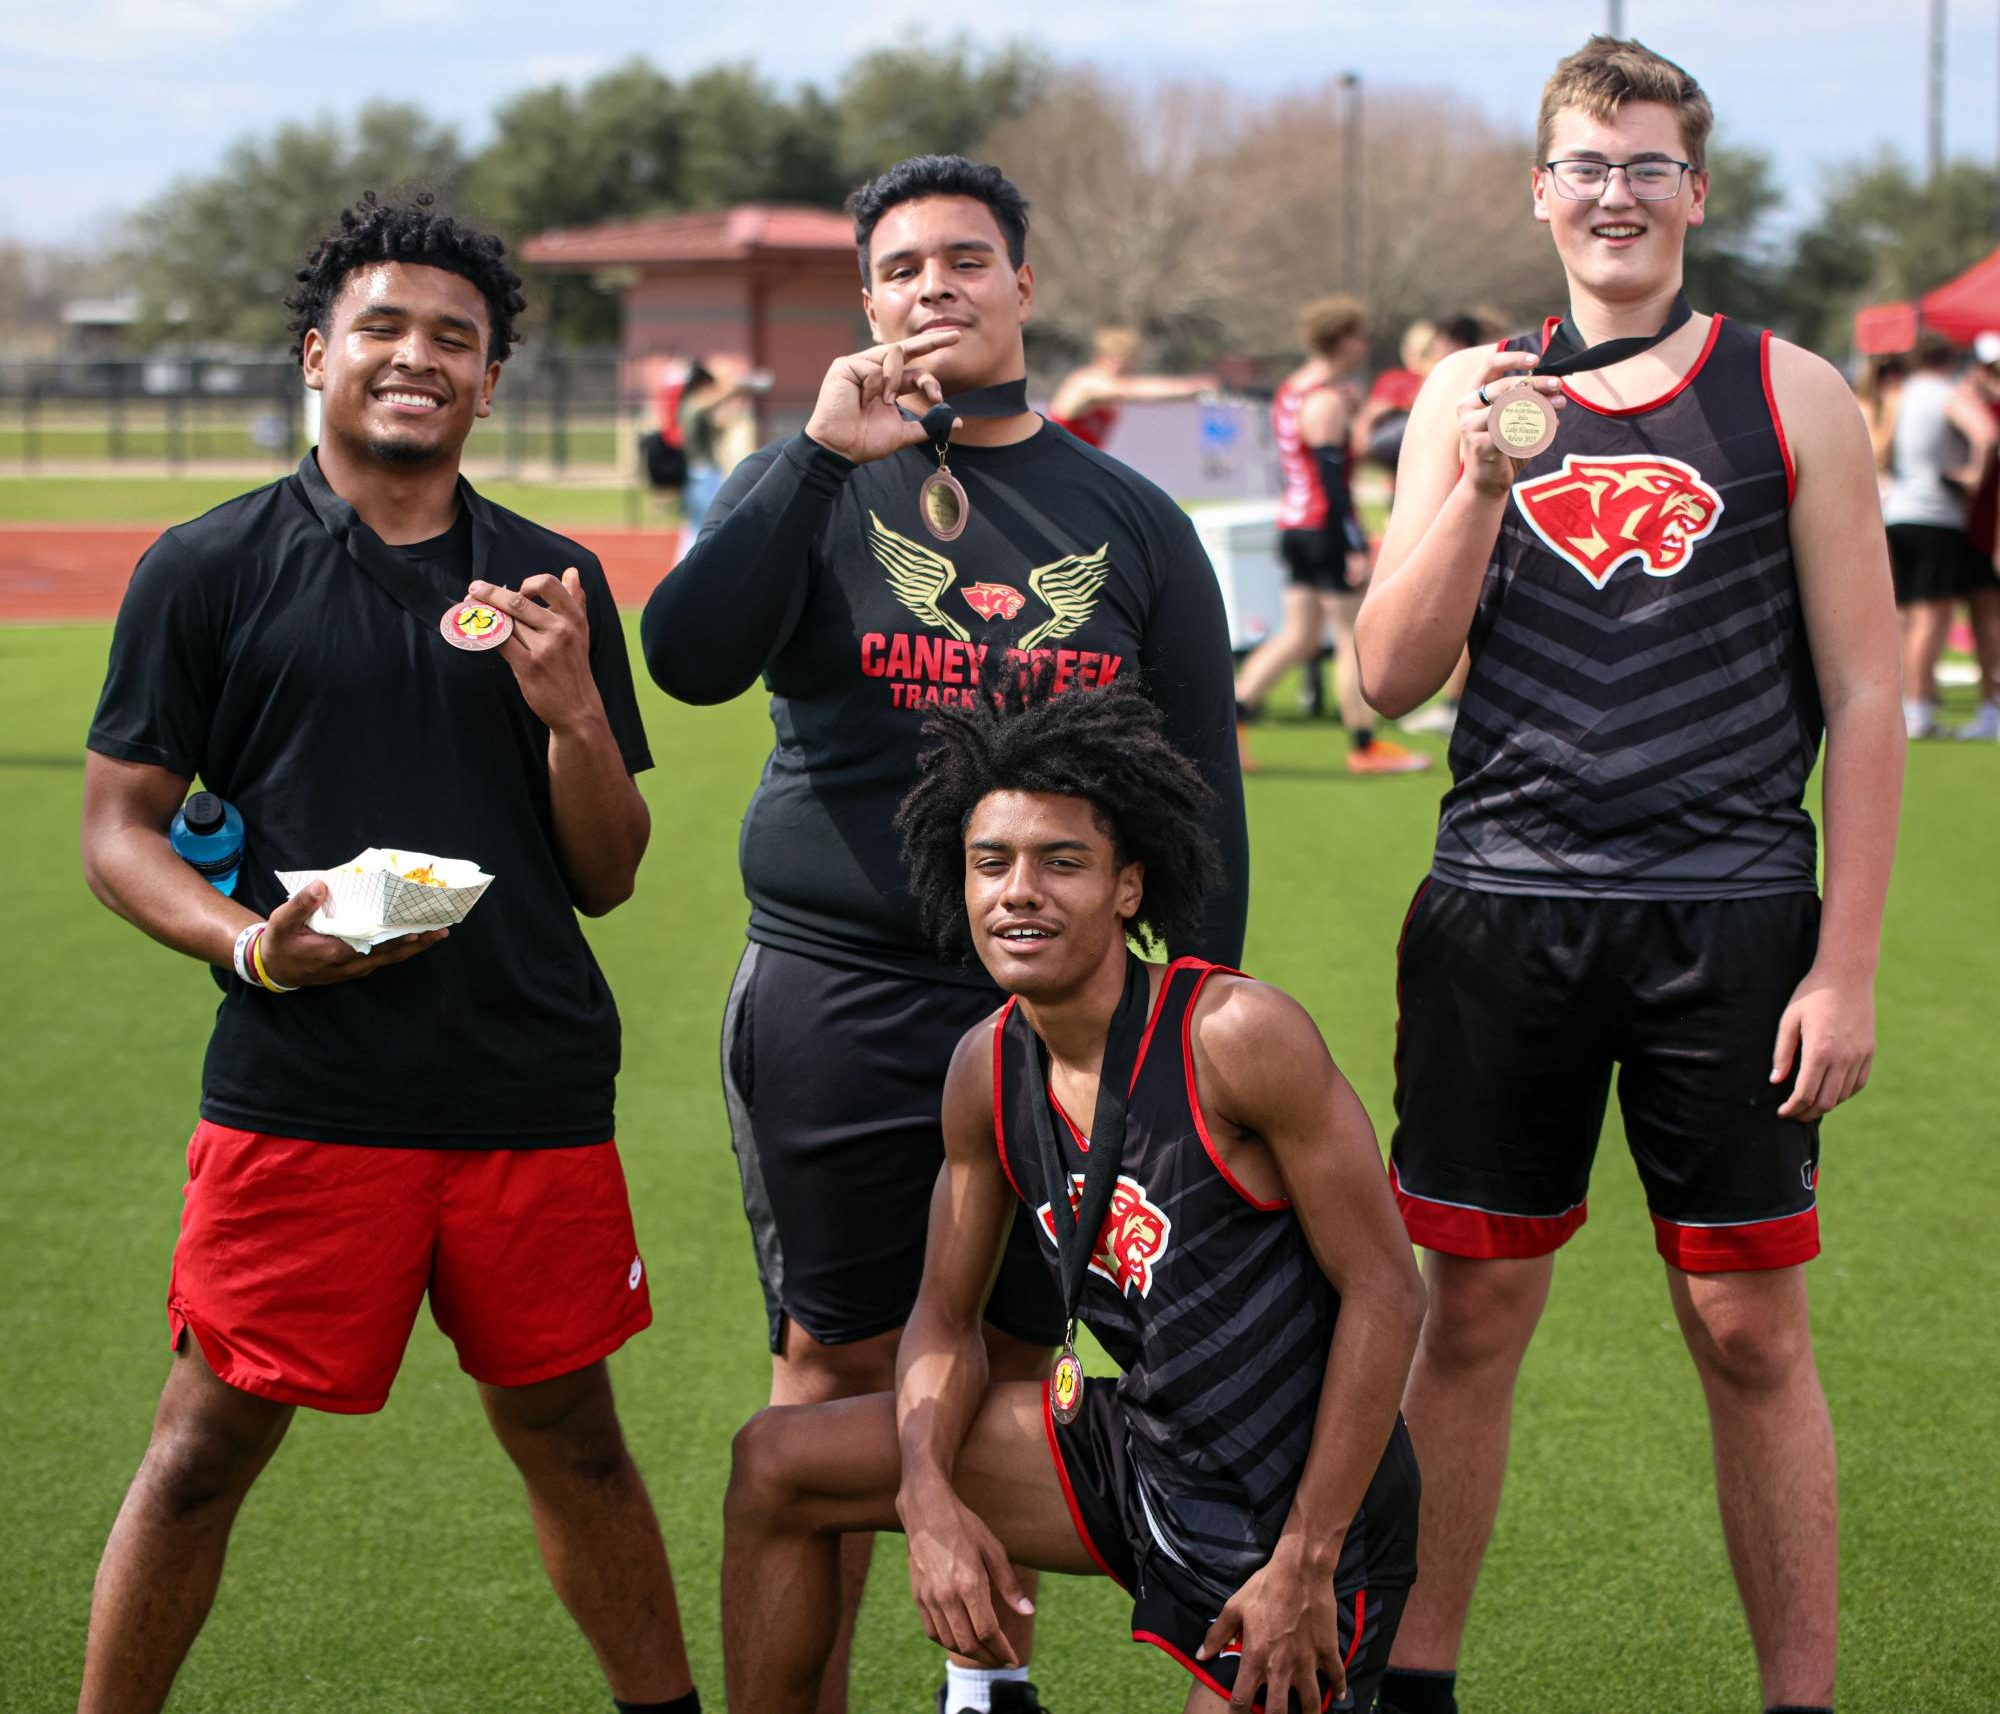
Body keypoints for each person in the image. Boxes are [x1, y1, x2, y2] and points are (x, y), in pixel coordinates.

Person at [639, 154, 1249, 1714]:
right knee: (837, 1369)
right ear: (866, 300)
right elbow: (689, 657)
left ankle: (987, 1693)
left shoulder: (1127, 517)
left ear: (1023, 288)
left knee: (1010, 1370)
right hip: (836, 999)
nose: (934, 287)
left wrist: (1185, 1025)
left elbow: (1204, 798)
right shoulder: (813, 482)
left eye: (966, 260)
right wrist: (810, 460)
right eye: (902, 267)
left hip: (1062, 1018)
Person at [78, 195, 695, 1714]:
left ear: (489, 382)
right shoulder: (206, 567)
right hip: (304, 1088)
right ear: (318, 354)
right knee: (203, 1444)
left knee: (577, 1436)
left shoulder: (552, 581)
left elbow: (608, 875)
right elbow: (118, 831)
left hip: (525, 1086)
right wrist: (254, 950)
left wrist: (573, 716)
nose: (418, 357)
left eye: (456, 340)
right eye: (386, 328)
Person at [1355, 38, 1901, 1714]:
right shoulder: (1463, 393)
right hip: (1501, 903)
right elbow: (1385, 672)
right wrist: (1481, 485)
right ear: (1541, 191)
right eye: (1586, 165)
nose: (1616, 193)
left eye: (1647, 164)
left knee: (1749, 1331)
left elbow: (1871, 691)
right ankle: (1416, 1681)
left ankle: (1795, 1695)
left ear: (1696, 191)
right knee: (1472, 1312)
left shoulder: (1791, 391)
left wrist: (1848, 964)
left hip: (1730, 915)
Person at [721, 676, 1424, 1714]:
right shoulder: (986, 1067)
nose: (1018, 892)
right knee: (777, 1463)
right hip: (1129, 1451)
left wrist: (1308, 1555)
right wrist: (926, 1497)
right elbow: (944, 1319)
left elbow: (1384, 1289)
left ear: (1127, 887)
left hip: (1292, 1503)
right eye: (990, 863)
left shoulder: (1232, 1036)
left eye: (1061, 863)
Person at [1235, 295, 1431, 776]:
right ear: (1344, 339)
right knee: (1351, 638)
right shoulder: (1325, 401)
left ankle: (1229, 723)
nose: (1365, 345)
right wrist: (1353, 541)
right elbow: (1331, 478)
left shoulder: (1297, 389)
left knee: (1300, 637)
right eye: (1361, 336)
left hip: (1296, 525)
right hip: (1323, 527)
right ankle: (1365, 747)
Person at [1882, 331, 1994, 739]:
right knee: (1932, 616)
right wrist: (1972, 478)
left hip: (1897, 510)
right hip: (1937, 513)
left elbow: (1881, 448)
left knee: (1905, 615)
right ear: (1949, 359)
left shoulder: (1899, 394)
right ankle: (1919, 710)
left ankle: (1907, 704)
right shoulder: (1947, 393)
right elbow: (1987, 434)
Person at [1045, 324, 1215, 450]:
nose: (1131, 368)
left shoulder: (1111, 388)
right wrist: (1188, 388)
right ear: (1108, 357)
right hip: (1052, 464)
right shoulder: (1087, 382)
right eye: (1127, 362)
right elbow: (1132, 390)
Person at [1950, 333, 2000, 739]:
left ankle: (1991, 709)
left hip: (1989, 532)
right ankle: (1989, 709)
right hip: (1979, 530)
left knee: (1988, 622)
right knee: (1986, 621)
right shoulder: (1980, 406)